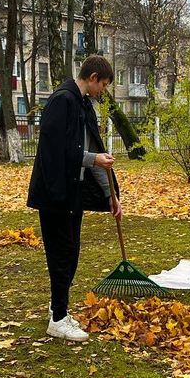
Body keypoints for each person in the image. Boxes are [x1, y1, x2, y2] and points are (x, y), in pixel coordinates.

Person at [27, 56, 122, 343]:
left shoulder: (83, 105)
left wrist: (111, 196)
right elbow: (54, 150)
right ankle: (57, 319)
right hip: (54, 194)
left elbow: (94, 148)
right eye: (103, 85)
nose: (102, 91)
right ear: (93, 77)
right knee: (61, 255)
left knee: (72, 254)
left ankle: (59, 306)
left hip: (73, 194)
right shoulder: (62, 101)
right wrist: (93, 159)